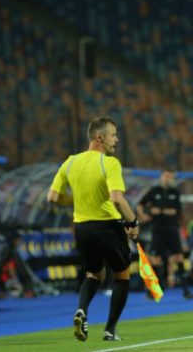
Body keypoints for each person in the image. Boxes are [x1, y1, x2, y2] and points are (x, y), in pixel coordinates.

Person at [46, 117, 140, 342]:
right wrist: (133, 222)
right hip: (108, 226)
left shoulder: (69, 162)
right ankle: (110, 330)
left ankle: (81, 310)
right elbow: (117, 198)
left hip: (82, 229)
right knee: (122, 275)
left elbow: (53, 197)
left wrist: (76, 201)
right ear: (100, 137)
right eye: (113, 135)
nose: (116, 139)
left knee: (94, 274)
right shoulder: (109, 163)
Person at [138, 170, 193, 300]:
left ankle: (186, 290)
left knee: (179, 258)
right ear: (161, 177)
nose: (168, 178)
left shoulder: (175, 193)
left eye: (170, 176)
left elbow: (176, 211)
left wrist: (159, 211)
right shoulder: (154, 191)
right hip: (157, 230)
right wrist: (143, 215)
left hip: (172, 230)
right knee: (155, 259)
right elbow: (141, 204)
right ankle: (155, 289)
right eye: (166, 176)